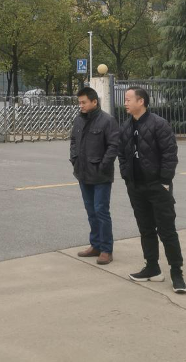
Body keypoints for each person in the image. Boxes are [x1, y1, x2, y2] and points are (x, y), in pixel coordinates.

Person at [119, 87, 186, 294]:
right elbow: (122, 154)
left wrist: (165, 181)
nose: (125, 103)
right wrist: (126, 176)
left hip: (157, 186)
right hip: (136, 186)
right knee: (146, 229)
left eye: (128, 99)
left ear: (141, 101)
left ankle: (177, 273)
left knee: (167, 230)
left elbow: (170, 153)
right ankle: (152, 268)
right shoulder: (125, 126)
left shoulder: (159, 124)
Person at [70, 87, 120, 265]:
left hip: (101, 175)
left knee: (101, 211)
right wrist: (74, 159)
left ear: (94, 102)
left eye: (84, 102)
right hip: (83, 173)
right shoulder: (78, 120)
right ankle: (96, 245)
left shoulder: (107, 120)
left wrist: (103, 165)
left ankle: (106, 249)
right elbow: (73, 141)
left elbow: (114, 146)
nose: (81, 105)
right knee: (91, 211)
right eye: (79, 102)